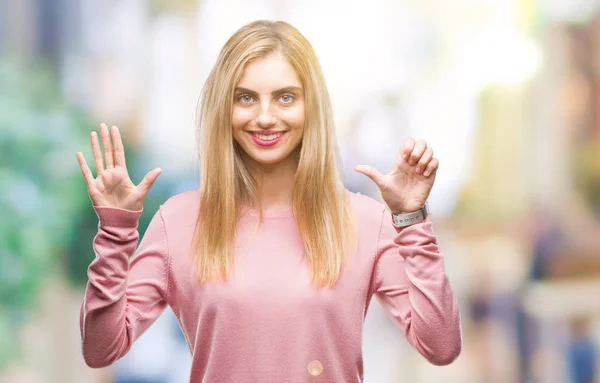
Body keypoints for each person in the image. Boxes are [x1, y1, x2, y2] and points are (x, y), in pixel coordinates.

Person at [76, 20, 462, 382]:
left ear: (311, 107)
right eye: (245, 97)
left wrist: (411, 221)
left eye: (285, 98)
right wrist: (115, 232)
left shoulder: (365, 221)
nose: (264, 116)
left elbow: (441, 347)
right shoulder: (178, 221)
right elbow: (101, 349)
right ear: (223, 109)